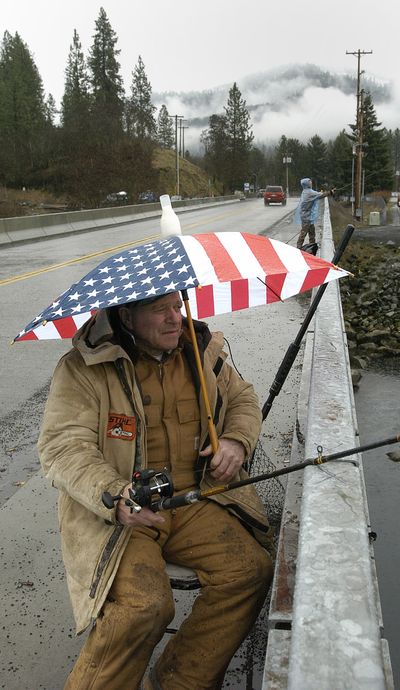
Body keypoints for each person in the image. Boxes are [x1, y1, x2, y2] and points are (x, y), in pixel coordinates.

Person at [38, 290, 274, 690]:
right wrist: (114, 493)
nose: (175, 319)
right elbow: (62, 447)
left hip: (194, 499)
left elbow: (243, 400)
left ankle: (179, 679)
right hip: (118, 514)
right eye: (159, 310)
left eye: (177, 307)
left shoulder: (204, 354)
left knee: (249, 571)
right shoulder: (83, 368)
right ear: (127, 318)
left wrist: (236, 440)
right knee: (144, 605)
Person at [295, 177, 335, 249]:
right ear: (307, 184)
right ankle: (298, 247)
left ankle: (312, 246)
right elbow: (321, 195)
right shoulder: (309, 192)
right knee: (304, 232)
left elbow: (318, 194)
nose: (311, 183)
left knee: (312, 232)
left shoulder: (306, 191)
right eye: (310, 182)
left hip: (307, 216)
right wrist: (330, 192)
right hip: (306, 217)